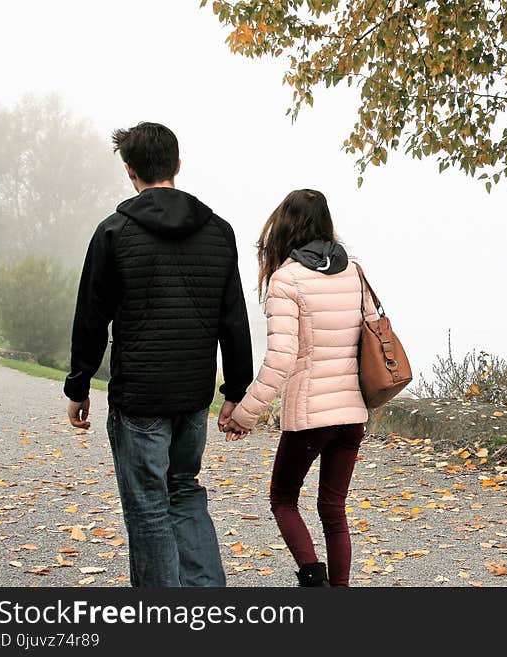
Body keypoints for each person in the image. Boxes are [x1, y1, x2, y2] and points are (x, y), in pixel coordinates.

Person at [64, 122, 253, 587]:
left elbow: (91, 315)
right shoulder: (219, 232)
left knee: (148, 507)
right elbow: (233, 317)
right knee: (184, 492)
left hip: (140, 398)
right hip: (192, 396)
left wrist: (79, 384)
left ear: (129, 172)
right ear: (178, 164)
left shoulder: (114, 232)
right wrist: (235, 390)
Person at [222, 189, 378, 587]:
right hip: (351, 415)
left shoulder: (286, 279)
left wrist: (245, 414)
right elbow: (371, 336)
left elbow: (280, 358)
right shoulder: (354, 273)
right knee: (333, 508)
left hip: (311, 417)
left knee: (283, 499)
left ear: (284, 226)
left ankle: (313, 579)